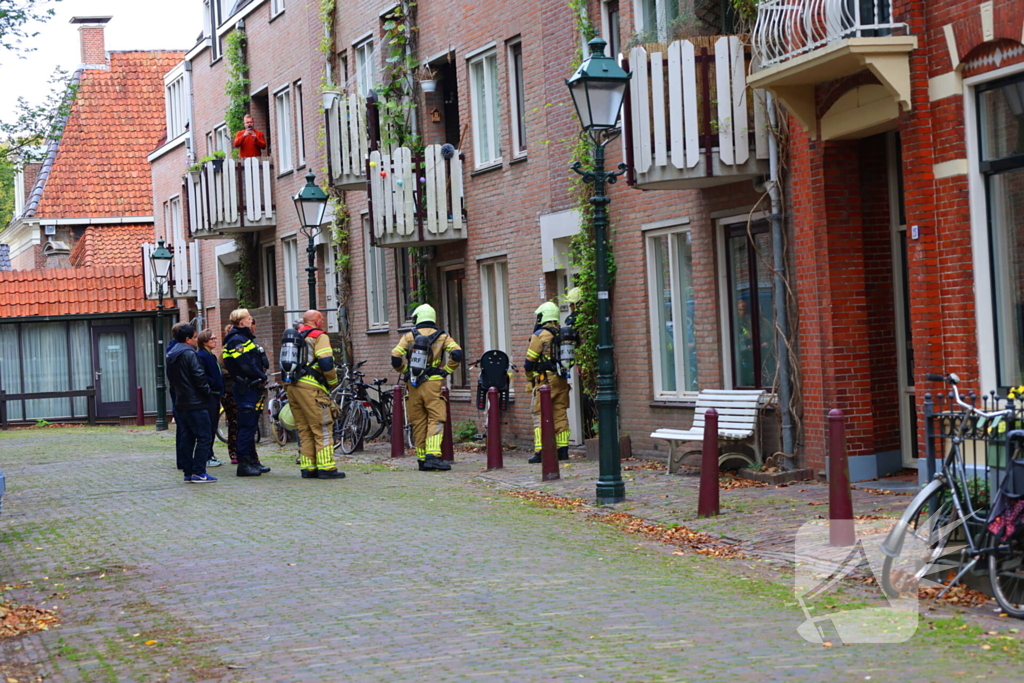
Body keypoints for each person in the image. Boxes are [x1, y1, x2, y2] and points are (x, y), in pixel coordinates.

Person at [390, 304, 463, 471]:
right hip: (433, 383)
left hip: (413, 384)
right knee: (436, 418)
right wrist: (446, 371)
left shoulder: (409, 336)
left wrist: (405, 370)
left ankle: (422, 459)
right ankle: (433, 456)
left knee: (419, 421)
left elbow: (395, 356)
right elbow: (457, 353)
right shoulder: (443, 337)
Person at [287, 309, 346, 479]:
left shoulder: (295, 336)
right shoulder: (319, 336)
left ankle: (308, 467)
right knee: (322, 426)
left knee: (304, 428)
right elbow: (326, 361)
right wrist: (333, 382)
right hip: (311, 387)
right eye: (322, 318)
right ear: (318, 320)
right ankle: (326, 468)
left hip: (292, 386)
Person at [165, 324, 217, 483]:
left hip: (181, 401)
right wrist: (207, 394)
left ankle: (188, 471)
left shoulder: (171, 354)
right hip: (195, 401)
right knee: (204, 437)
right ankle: (199, 471)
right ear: (187, 339)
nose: (196, 340)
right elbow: (199, 377)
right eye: (194, 337)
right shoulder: (190, 354)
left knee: (187, 437)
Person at [222, 309, 270, 477]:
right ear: (242, 322)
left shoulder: (243, 339)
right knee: (246, 427)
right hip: (245, 387)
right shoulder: (237, 341)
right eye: (249, 319)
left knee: (250, 426)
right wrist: (260, 375)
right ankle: (244, 464)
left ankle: (251, 461)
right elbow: (245, 364)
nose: (251, 321)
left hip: (251, 386)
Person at [524, 301, 572, 463]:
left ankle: (540, 451)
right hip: (562, 379)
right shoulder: (562, 333)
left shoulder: (540, 335)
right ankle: (563, 450)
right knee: (560, 413)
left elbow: (529, 362)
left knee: (539, 413)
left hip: (545, 380)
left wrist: (530, 380)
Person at [196, 329, 225, 468]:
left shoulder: (211, 356)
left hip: (216, 393)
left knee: (213, 425)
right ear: (205, 341)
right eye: (212, 338)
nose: (215, 340)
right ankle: (207, 455)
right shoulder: (201, 356)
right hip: (210, 394)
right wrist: (213, 383)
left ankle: (210, 454)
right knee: (209, 426)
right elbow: (201, 374)